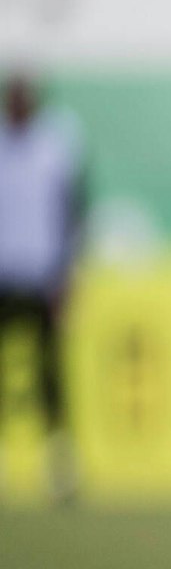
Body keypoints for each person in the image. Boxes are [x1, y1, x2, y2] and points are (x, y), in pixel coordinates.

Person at [0, 73, 87, 504]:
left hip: (41, 277)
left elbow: (73, 212)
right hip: (3, 276)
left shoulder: (55, 147)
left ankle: (59, 468)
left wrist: (68, 274)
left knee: (50, 378)